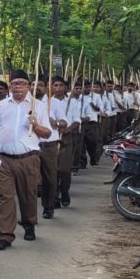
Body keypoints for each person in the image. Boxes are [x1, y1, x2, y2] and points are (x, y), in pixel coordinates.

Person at [0, 69, 52, 250]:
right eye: (14, 83)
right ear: (9, 86)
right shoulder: (0, 106)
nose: (17, 87)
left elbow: (47, 134)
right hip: (4, 160)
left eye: (21, 83)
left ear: (28, 86)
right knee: (5, 197)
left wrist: (35, 125)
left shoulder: (38, 106)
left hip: (28, 158)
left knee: (28, 195)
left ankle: (29, 224)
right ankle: (6, 235)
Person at [40, 80, 65, 219]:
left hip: (49, 145)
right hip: (30, 147)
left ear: (46, 88)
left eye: (39, 85)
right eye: (33, 84)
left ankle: (48, 206)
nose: (35, 87)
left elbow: (64, 122)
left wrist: (54, 122)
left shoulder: (54, 103)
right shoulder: (24, 103)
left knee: (49, 178)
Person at [54, 78, 77, 207]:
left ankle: (64, 191)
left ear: (65, 88)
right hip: (51, 139)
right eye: (55, 85)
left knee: (64, 169)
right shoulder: (46, 102)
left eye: (60, 85)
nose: (58, 88)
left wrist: (67, 129)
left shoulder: (72, 103)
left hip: (66, 139)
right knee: (52, 170)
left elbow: (77, 121)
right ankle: (55, 196)